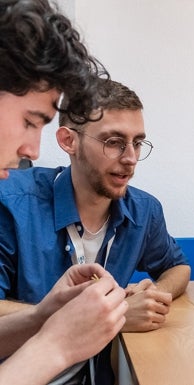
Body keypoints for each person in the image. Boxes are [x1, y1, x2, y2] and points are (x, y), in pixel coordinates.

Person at [0, 78, 191, 384]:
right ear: (68, 141)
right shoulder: (11, 204)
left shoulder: (144, 209)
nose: (130, 158)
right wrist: (114, 315)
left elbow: (177, 266)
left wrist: (155, 296)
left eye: (137, 142)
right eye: (113, 142)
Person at [0, 0, 128, 384]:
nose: (33, 151)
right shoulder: (14, 203)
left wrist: (42, 317)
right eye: (29, 121)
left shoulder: (144, 209)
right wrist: (54, 345)